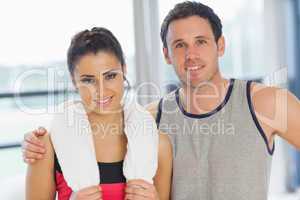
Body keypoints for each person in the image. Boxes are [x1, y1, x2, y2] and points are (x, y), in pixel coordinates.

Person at [22, 1, 300, 199]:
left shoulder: (267, 103)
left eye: (201, 41)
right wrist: (36, 144)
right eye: (180, 45)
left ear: (221, 45)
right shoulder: (150, 119)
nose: (190, 55)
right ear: (167, 54)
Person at [25, 27, 172, 200]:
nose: (101, 91)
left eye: (110, 76)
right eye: (88, 80)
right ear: (74, 81)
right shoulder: (45, 146)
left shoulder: (158, 144)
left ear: (124, 71)